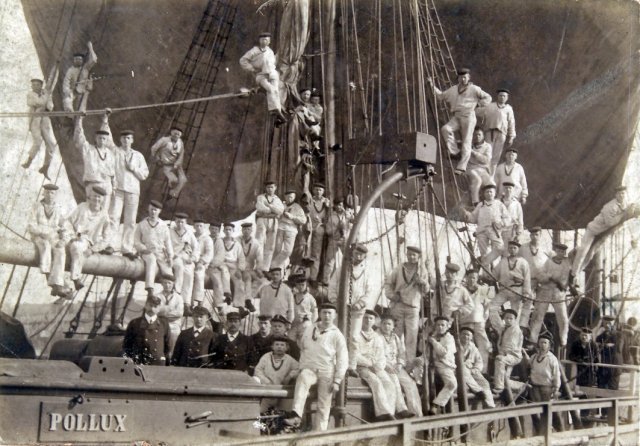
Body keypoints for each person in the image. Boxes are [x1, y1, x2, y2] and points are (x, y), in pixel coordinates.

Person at [284, 303, 348, 430]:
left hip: (327, 372)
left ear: (334, 315)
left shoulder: (337, 335)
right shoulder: (310, 329)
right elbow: (303, 347)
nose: (327, 316)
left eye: (329, 313)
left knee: (324, 406)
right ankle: (296, 416)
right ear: (319, 314)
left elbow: (343, 359)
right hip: (310, 368)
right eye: (324, 312)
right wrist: (302, 366)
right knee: (303, 378)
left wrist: (337, 380)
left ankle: (320, 434)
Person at [427, 68, 492, 175]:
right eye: (461, 77)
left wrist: (479, 104)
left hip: (468, 116)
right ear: (458, 78)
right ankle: (455, 152)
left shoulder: (474, 89)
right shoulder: (453, 89)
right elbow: (440, 96)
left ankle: (462, 167)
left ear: (468, 78)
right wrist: (431, 84)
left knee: (466, 141)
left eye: (465, 77)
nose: (463, 79)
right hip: (457, 116)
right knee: (445, 129)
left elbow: (488, 98)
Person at [51, 186, 111, 293]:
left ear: (102, 200)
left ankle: (75, 278)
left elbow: (107, 238)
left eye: (99, 197)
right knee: (58, 247)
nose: (96, 199)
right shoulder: (82, 207)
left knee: (76, 246)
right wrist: (67, 235)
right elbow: (69, 221)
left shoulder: (104, 215)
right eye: (94, 196)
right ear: (90, 196)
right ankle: (57, 284)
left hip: (85, 240)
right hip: (71, 235)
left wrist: (93, 249)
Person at [353, 309, 409, 421]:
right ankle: (382, 414)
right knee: (376, 382)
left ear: (374, 321)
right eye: (365, 318)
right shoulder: (356, 335)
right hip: (362, 367)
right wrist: (369, 364)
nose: (368, 320)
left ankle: (389, 413)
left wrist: (378, 366)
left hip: (376, 367)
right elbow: (355, 354)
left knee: (389, 384)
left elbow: (381, 355)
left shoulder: (376, 337)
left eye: (371, 318)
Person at [571, 186, 635, 282]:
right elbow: (610, 223)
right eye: (619, 194)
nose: (621, 196)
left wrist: (632, 207)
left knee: (590, 255)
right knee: (583, 251)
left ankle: (577, 273)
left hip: (602, 233)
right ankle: (572, 274)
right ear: (616, 195)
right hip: (593, 230)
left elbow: (629, 209)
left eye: (623, 193)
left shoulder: (624, 204)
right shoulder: (610, 207)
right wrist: (624, 215)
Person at [105, 126, 149, 258]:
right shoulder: (115, 152)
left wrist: (133, 168)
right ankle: (110, 245)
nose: (126, 140)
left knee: (130, 221)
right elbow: (108, 140)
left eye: (128, 138)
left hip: (133, 191)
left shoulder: (138, 156)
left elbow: (144, 174)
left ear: (132, 140)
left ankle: (127, 248)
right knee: (113, 217)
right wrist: (105, 121)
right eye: (124, 138)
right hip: (118, 189)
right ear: (120, 139)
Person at [385, 246, 430, 361]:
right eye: (409, 254)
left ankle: (409, 362)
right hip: (398, 305)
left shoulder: (422, 270)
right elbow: (388, 284)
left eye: (414, 255)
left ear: (418, 256)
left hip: (413, 307)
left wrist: (423, 283)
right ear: (406, 254)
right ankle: (394, 360)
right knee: (396, 334)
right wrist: (392, 296)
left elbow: (426, 290)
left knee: (412, 336)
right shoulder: (399, 268)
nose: (411, 257)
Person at [339, 244, 375, 373]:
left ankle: (352, 365)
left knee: (354, 337)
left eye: (361, 255)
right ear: (352, 253)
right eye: (356, 254)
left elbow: (369, 292)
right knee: (339, 336)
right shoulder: (342, 269)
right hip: (342, 309)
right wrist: (337, 302)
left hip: (357, 311)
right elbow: (333, 287)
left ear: (364, 256)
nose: (358, 257)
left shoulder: (367, 272)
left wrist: (360, 303)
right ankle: (338, 363)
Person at [379, 313, 423, 417]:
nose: (386, 326)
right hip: (383, 366)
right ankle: (399, 411)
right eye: (384, 323)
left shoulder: (395, 338)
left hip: (396, 366)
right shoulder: (377, 337)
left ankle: (416, 413)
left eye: (389, 324)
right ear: (380, 325)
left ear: (393, 327)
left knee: (410, 384)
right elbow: (376, 354)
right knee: (394, 383)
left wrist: (399, 364)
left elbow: (401, 353)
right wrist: (386, 365)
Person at [530, 243, 571, 347]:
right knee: (538, 316)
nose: (561, 253)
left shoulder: (566, 264)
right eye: (559, 251)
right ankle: (532, 339)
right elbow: (540, 276)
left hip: (558, 294)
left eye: (563, 252)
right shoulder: (548, 262)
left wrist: (566, 285)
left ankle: (564, 340)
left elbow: (568, 278)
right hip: (545, 291)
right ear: (556, 251)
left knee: (563, 318)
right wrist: (550, 277)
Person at [522, 334, 564, 434]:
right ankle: (541, 433)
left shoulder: (552, 359)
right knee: (536, 411)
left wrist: (556, 388)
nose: (542, 345)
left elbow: (556, 374)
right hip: (534, 388)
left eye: (545, 343)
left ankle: (560, 431)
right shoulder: (534, 357)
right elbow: (529, 366)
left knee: (549, 411)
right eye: (541, 342)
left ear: (549, 345)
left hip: (547, 388)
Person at [462, 184, 510, 270]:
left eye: (491, 192)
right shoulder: (480, 205)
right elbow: (473, 218)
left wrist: (501, 223)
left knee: (500, 248)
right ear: (484, 194)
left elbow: (507, 218)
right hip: (481, 231)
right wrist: (467, 215)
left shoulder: (499, 204)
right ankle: (486, 274)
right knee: (483, 253)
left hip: (494, 230)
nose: (489, 193)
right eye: (487, 192)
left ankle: (484, 262)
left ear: (494, 193)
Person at [239, 32, 285, 122]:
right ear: (259, 41)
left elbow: (273, 62)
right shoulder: (254, 51)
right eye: (263, 39)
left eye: (266, 40)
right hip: (261, 75)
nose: (264, 41)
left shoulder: (270, 52)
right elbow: (243, 60)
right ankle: (274, 111)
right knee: (270, 89)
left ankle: (278, 115)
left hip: (272, 74)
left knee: (275, 91)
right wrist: (252, 68)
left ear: (269, 41)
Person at [73, 114, 116, 210]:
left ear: (107, 140)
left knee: (104, 212)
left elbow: (113, 173)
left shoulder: (110, 154)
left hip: (107, 185)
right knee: (91, 210)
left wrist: (105, 121)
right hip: (93, 184)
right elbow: (80, 138)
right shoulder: (89, 150)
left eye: (104, 138)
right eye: (99, 138)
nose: (102, 140)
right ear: (96, 138)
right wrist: (79, 120)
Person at [27, 184, 65, 293]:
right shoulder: (37, 206)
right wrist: (41, 232)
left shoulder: (58, 208)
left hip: (53, 236)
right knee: (46, 245)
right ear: (43, 193)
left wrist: (63, 238)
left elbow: (63, 226)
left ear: (56, 195)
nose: (50, 195)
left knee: (60, 250)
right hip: (39, 236)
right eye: (47, 192)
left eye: (52, 193)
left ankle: (58, 283)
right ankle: (49, 278)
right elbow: (30, 225)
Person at [133, 200, 174, 297]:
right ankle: (150, 290)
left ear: (159, 211)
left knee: (168, 271)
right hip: (147, 252)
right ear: (148, 209)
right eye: (151, 209)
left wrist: (170, 256)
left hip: (160, 253)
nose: (153, 212)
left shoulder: (163, 225)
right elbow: (136, 241)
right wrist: (143, 249)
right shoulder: (142, 224)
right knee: (151, 261)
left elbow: (168, 242)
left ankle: (171, 294)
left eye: (155, 210)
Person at [488, 241, 531, 331]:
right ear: (508, 249)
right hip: (504, 290)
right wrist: (487, 275)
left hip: (517, 290)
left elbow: (527, 278)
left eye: (514, 248)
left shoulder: (523, 262)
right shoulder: (503, 261)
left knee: (515, 314)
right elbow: (494, 274)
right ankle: (501, 329)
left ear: (518, 249)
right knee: (491, 307)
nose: (512, 250)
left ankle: (514, 332)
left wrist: (526, 293)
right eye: (510, 248)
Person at [22, 78, 57, 179]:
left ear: (41, 86)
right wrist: (44, 101)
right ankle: (29, 160)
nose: (35, 87)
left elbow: (50, 106)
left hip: (45, 119)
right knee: (38, 141)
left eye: (37, 85)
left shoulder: (46, 94)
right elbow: (35, 103)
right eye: (33, 85)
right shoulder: (30, 94)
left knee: (51, 144)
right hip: (35, 120)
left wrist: (46, 104)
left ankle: (46, 166)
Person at [122, 294, 170, 366]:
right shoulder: (135, 323)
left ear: (159, 308)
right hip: (139, 362)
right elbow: (127, 345)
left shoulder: (164, 324)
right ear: (145, 305)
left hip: (157, 363)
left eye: (155, 306)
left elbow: (167, 345)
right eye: (150, 305)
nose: (152, 309)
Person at [460, 267, 493, 370]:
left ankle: (483, 370)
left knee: (484, 344)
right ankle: (466, 368)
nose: (471, 280)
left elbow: (487, 305)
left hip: (479, 321)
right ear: (466, 278)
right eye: (470, 277)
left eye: (474, 278)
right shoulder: (462, 290)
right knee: (467, 344)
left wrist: (484, 318)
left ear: (477, 278)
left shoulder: (482, 290)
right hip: (465, 321)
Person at [518, 227, 550, 330]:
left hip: (542, 281)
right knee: (526, 303)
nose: (534, 237)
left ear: (540, 235)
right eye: (532, 235)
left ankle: (534, 331)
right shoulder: (523, 248)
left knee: (540, 306)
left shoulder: (545, 248)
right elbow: (517, 262)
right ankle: (522, 327)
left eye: (536, 235)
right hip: (529, 280)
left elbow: (552, 262)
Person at [480, 88, 516, 174]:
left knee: (496, 157)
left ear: (507, 97)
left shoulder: (509, 109)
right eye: (500, 96)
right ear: (497, 96)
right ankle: (484, 174)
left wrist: (511, 137)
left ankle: (491, 176)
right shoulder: (490, 106)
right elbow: (479, 112)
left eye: (504, 96)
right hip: (489, 133)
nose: (502, 97)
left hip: (502, 134)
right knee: (487, 154)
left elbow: (511, 123)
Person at [427, 316, 458, 415]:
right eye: (438, 325)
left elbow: (443, 352)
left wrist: (433, 341)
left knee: (452, 384)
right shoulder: (431, 336)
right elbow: (420, 348)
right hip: (432, 363)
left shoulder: (449, 338)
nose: (440, 327)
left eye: (442, 325)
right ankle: (433, 405)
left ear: (447, 326)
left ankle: (436, 404)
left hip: (445, 364)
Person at [459, 326, 495, 408]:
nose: (466, 336)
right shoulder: (455, 346)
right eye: (463, 334)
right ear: (460, 335)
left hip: (471, 370)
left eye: (468, 335)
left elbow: (479, 361)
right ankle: (479, 391)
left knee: (485, 383)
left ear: (471, 337)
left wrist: (475, 369)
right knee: (464, 371)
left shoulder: (473, 347)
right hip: (459, 370)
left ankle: (490, 404)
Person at [272, 189, 306, 269]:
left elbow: (303, 220)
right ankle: (277, 270)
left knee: (288, 251)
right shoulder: (281, 205)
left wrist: (292, 217)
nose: (290, 199)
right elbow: (274, 214)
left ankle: (273, 266)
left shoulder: (297, 207)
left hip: (291, 229)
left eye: (291, 197)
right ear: (285, 197)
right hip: (280, 228)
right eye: (288, 197)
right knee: (277, 249)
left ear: (294, 197)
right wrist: (278, 215)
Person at [169, 212, 199, 304]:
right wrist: (171, 255)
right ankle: (176, 293)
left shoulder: (189, 233)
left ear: (185, 222)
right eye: (178, 222)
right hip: (174, 256)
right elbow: (165, 245)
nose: (180, 224)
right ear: (175, 221)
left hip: (186, 257)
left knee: (189, 274)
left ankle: (186, 302)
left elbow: (196, 247)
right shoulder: (170, 231)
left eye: (182, 222)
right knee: (179, 268)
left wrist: (193, 257)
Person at [492, 309, 523, 394]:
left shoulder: (515, 330)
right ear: (504, 318)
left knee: (500, 360)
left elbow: (510, 346)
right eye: (506, 318)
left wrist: (501, 354)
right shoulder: (504, 328)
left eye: (511, 318)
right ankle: (520, 386)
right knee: (505, 378)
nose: (508, 320)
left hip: (513, 355)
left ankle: (499, 386)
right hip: (506, 354)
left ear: (515, 319)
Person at [150, 127, 187, 198]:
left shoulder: (180, 143)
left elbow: (181, 155)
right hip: (166, 164)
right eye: (175, 133)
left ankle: (172, 194)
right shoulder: (164, 140)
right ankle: (166, 192)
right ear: (171, 133)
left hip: (176, 165)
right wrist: (157, 159)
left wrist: (177, 164)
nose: (176, 135)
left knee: (183, 179)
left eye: (178, 134)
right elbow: (153, 149)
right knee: (174, 180)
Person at [322, 198, 352, 283]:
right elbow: (328, 231)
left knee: (348, 259)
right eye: (338, 205)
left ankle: (348, 279)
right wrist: (337, 227)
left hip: (344, 240)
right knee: (330, 261)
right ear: (335, 206)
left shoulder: (347, 215)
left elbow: (352, 223)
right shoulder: (332, 217)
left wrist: (349, 218)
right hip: (334, 240)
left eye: (341, 205)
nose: (339, 207)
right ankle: (326, 281)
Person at [62, 42, 97, 112]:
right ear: (74, 60)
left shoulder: (86, 68)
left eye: (80, 59)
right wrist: (68, 91)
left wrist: (91, 48)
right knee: (67, 101)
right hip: (73, 91)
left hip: (83, 92)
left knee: (81, 110)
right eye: (77, 59)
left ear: (82, 60)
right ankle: (70, 114)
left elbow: (94, 60)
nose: (78, 61)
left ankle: (79, 117)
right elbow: (66, 82)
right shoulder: (70, 70)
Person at [156, 272, 184, 357]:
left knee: (174, 337)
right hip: (160, 324)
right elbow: (155, 311)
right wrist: (170, 309)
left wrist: (163, 311)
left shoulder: (178, 298)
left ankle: (171, 357)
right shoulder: (157, 296)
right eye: (165, 283)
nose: (167, 285)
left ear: (173, 284)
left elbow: (179, 313)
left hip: (173, 324)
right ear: (162, 284)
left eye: (169, 283)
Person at [308, 183, 331, 281]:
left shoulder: (326, 202)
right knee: (306, 251)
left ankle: (313, 277)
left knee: (316, 254)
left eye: (320, 190)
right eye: (316, 189)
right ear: (313, 190)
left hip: (319, 229)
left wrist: (328, 207)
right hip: (308, 227)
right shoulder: (309, 200)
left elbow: (330, 216)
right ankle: (304, 275)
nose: (318, 192)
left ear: (323, 191)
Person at [465, 128, 493, 205]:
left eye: (479, 135)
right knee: (477, 180)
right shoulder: (469, 145)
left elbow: (486, 160)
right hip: (471, 168)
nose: (477, 136)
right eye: (475, 135)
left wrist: (473, 153)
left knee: (491, 184)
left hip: (483, 169)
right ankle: (475, 202)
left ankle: (489, 203)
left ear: (483, 136)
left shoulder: (487, 146)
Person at [221, 222, 246, 306]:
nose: (228, 231)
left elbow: (241, 258)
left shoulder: (237, 244)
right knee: (225, 273)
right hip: (222, 263)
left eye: (230, 230)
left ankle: (239, 305)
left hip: (233, 265)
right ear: (223, 231)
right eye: (226, 229)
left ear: (233, 231)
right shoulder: (220, 242)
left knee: (239, 281)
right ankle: (227, 293)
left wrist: (240, 269)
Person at [239, 222, 263, 307]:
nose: (246, 231)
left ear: (251, 230)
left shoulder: (256, 243)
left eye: (248, 229)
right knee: (247, 278)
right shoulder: (236, 240)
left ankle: (248, 298)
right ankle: (248, 300)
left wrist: (259, 269)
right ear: (242, 230)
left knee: (260, 280)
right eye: (244, 229)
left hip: (250, 268)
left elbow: (259, 257)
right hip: (238, 267)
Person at [289, 274, 318, 342]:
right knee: (291, 341)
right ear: (296, 285)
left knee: (304, 341)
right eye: (299, 285)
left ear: (306, 285)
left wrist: (311, 322)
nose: (301, 287)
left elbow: (315, 312)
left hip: (305, 323)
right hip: (294, 323)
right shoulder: (292, 297)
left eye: (303, 285)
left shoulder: (310, 298)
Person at [192, 218, 214, 308]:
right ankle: (188, 302)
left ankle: (199, 301)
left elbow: (209, 253)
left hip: (202, 262)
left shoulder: (207, 239)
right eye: (197, 226)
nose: (199, 228)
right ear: (194, 227)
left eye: (201, 226)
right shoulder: (191, 236)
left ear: (204, 227)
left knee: (199, 274)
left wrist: (201, 262)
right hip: (191, 260)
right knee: (187, 274)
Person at [596, 315, 621, 390]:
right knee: (601, 389)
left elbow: (619, 348)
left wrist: (605, 346)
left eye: (609, 323)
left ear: (614, 324)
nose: (607, 325)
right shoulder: (600, 337)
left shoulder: (619, 335)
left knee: (613, 389)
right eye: (605, 323)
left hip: (614, 367)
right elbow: (596, 347)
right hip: (603, 367)